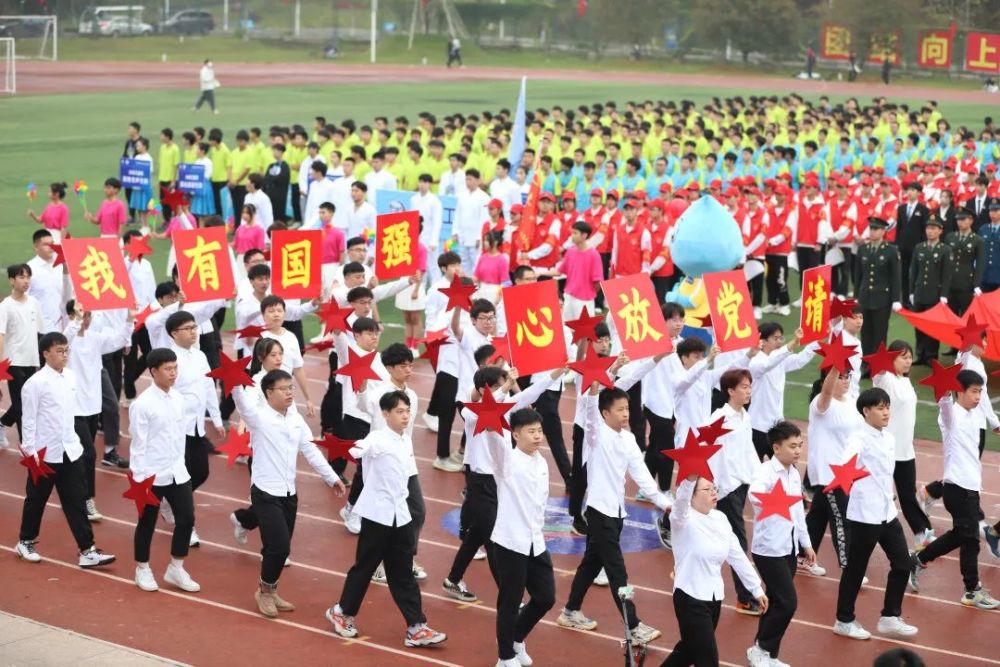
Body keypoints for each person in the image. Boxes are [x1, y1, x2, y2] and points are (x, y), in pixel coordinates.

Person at [325, 391, 447, 648]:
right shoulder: (377, 438)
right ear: (385, 414)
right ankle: (342, 612)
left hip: (400, 516)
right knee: (365, 567)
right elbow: (359, 449)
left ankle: (416, 626)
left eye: (407, 411)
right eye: (400, 412)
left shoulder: (405, 440)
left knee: (402, 573)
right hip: (377, 515)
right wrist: (343, 447)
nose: (406, 416)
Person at [558, 383, 670, 643]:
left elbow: (641, 475)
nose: (625, 414)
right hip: (599, 513)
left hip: (617, 513)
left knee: (590, 564)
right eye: (619, 409)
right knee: (617, 570)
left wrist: (663, 502)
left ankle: (571, 610)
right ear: (605, 413)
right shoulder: (595, 435)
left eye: (627, 409)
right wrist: (594, 389)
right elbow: (588, 410)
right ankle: (633, 625)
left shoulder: (628, 439)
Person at [442, 365, 562, 603]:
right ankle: (511, 599)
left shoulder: (506, 411)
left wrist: (555, 374)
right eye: (496, 386)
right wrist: (506, 386)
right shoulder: (471, 413)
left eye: (502, 385)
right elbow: (488, 406)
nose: (502, 391)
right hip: (480, 481)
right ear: (481, 390)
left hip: (501, 481)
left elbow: (530, 394)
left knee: (480, 535)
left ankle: (453, 579)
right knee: (491, 537)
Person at [233, 369, 346, 616]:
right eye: (283, 389)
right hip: (265, 492)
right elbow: (242, 405)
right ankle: (263, 592)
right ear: (268, 393)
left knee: (280, 548)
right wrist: (234, 383)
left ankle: (271, 590)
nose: (289, 393)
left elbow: (311, 450)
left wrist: (332, 478)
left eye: (291, 388)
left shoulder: (296, 420)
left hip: (289, 493)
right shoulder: (259, 418)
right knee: (279, 547)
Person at [14, 332, 117, 570]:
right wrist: (31, 452)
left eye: (66, 351)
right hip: (44, 454)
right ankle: (25, 541)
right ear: (46, 354)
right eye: (59, 351)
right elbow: (28, 420)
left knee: (76, 502)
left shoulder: (71, 377)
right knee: (36, 500)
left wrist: (78, 445)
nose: (64, 355)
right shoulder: (35, 384)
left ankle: (87, 550)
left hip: (70, 451)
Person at [909, 370, 1000, 610]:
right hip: (956, 487)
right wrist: (944, 384)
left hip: (971, 487)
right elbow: (945, 403)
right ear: (959, 391)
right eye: (973, 391)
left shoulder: (973, 414)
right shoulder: (951, 416)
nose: (979, 396)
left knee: (962, 535)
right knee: (970, 540)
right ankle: (972, 590)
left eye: (981, 391)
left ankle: (917, 559)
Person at [833, 388, 918, 641]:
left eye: (887, 407)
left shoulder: (888, 438)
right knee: (856, 569)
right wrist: (845, 471)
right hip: (864, 514)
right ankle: (844, 620)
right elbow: (847, 460)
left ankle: (890, 617)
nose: (886, 412)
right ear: (866, 411)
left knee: (903, 563)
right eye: (880, 408)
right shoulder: (858, 438)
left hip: (887, 512)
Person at [664, 472, 767, 666]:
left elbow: (737, 555)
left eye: (715, 488)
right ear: (692, 496)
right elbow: (680, 502)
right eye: (707, 489)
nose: (714, 492)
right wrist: (689, 480)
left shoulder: (720, 519)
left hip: (713, 599)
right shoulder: (682, 520)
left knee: (688, 651)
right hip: (689, 597)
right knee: (708, 660)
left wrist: (756, 588)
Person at [487, 407, 557, 667]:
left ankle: (516, 637)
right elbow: (495, 442)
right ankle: (504, 656)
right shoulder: (507, 461)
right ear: (515, 435)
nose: (538, 436)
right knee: (510, 601)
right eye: (531, 431)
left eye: (539, 431)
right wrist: (490, 416)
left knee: (546, 597)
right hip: (510, 542)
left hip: (535, 542)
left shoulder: (542, 462)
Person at [129, 348, 200, 593]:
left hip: (177, 472)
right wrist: (140, 479)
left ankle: (176, 567)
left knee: (187, 519)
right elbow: (138, 444)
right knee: (147, 522)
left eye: (175, 368)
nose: (173, 373)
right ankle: (142, 568)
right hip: (151, 474)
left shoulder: (179, 398)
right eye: (168, 369)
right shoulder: (142, 405)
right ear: (153, 371)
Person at [746, 421, 815, 667]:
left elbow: (797, 512)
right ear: (776, 448)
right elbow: (754, 495)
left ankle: (765, 654)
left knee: (776, 601)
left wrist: (806, 544)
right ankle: (761, 649)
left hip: (789, 549)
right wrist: (772, 501)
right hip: (768, 550)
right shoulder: (765, 472)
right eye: (792, 446)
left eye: (800, 445)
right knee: (788, 602)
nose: (797, 451)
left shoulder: (794, 473)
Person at [64, 303, 133, 523]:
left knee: (78, 454)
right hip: (74, 407)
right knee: (90, 454)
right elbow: (65, 339)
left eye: (89, 315)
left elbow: (118, 339)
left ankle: (71, 491)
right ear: (72, 315)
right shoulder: (67, 340)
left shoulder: (95, 338)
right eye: (83, 315)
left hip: (92, 406)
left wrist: (130, 320)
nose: (87, 319)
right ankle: (87, 499)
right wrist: (76, 319)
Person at [162, 311, 224, 547]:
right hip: (177, 428)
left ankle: (170, 502)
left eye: (194, 327)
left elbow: (208, 386)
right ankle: (185, 524)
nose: (193, 331)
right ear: (174, 334)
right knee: (183, 477)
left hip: (197, 427)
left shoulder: (199, 356)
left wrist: (216, 419)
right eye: (187, 328)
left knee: (201, 472)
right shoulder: (170, 360)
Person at [873, 340, 934, 549]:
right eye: (903, 357)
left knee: (908, 495)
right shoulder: (885, 379)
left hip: (906, 450)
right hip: (886, 450)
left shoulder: (905, 381)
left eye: (910, 357)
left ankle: (922, 534)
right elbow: (878, 373)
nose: (908, 361)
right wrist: (882, 362)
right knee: (880, 494)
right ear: (892, 358)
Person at [804, 367, 862, 577]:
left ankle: (802, 556)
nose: (845, 381)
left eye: (848, 376)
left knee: (818, 516)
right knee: (841, 518)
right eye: (840, 377)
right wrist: (835, 367)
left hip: (846, 471)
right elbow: (827, 392)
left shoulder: (851, 401)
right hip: (830, 473)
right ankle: (849, 566)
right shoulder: (822, 403)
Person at [0, 263, 44, 443]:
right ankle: (27, 445)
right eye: (21, 277)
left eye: (28, 277)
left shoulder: (34, 302)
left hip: (31, 361)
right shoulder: (5, 306)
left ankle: (2, 423)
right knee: (22, 404)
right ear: (11, 280)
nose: (26, 281)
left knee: (29, 402)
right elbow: (1, 337)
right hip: (13, 362)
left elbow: (40, 332)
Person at [854, 216, 901, 356]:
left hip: (882, 298)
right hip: (865, 297)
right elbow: (858, 276)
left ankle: (878, 363)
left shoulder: (891, 250)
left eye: (876, 229)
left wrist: (896, 299)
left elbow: (895, 277)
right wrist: (856, 296)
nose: (872, 232)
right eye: (871, 229)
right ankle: (866, 362)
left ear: (883, 231)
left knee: (880, 333)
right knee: (865, 331)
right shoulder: (863, 249)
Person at [908, 216, 951, 365]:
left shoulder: (945, 250)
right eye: (928, 228)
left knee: (933, 327)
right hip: (920, 292)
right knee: (919, 326)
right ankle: (920, 353)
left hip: (935, 294)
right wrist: (911, 292)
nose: (930, 231)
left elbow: (947, 275)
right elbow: (913, 271)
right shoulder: (919, 247)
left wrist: (944, 295)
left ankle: (932, 356)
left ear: (940, 231)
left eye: (933, 228)